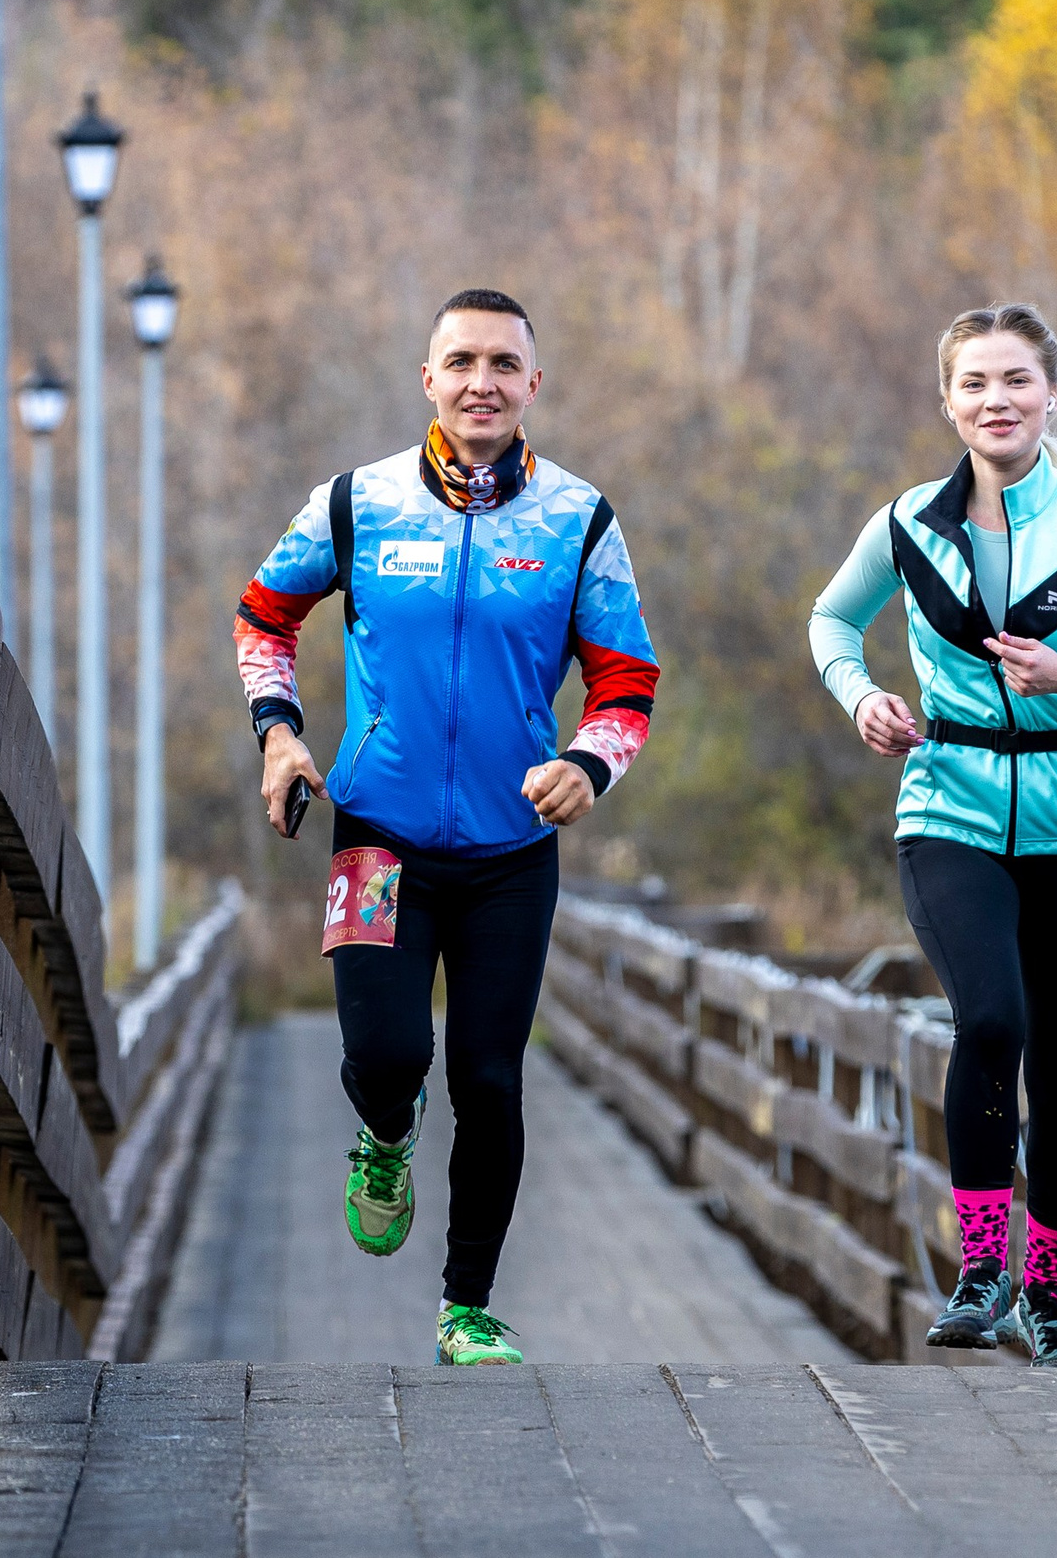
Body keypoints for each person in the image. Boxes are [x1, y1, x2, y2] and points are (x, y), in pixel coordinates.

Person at [234, 288, 660, 1366]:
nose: (482, 382)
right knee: (387, 1055)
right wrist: (279, 736)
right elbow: (263, 617)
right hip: (375, 835)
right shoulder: (356, 503)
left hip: (511, 854)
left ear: (533, 385)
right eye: (461, 361)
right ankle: (385, 1132)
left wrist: (587, 764)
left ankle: (465, 1307)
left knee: (489, 1077)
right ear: (428, 378)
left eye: (504, 365)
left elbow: (626, 683)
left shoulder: (579, 520)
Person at [807, 303, 1057, 1365]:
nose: (997, 400)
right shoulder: (906, 525)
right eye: (975, 383)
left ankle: (1048, 1291)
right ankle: (981, 1267)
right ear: (948, 402)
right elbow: (830, 619)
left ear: (1051, 395)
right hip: (950, 802)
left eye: (1017, 380)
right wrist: (861, 696)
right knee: (989, 1021)